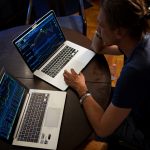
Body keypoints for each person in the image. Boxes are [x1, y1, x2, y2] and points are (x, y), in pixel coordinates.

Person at [63, 0, 150, 149]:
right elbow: (97, 48)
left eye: (102, 25)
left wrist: (81, 88)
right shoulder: (139, 39)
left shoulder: (134, 71)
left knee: (80, 125)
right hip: (140, 103)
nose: (98, 28)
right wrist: (101, 27)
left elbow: (103, 129)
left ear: (119, 32)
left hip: (142, 130)